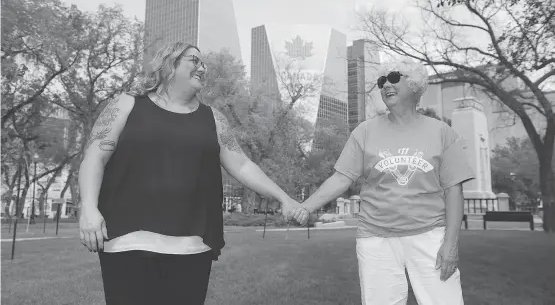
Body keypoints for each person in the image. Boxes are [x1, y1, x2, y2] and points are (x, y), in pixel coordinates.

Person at [78, 42, 302, 305]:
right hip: (128, 241)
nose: (203, 67)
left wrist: (283, 197)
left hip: (191, 246)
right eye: (194, 60)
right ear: (169, 64)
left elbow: (242, 164)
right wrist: (89, 208)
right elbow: (95, 156)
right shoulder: (127, 105)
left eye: (203, 63)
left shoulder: (213, 119)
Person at [292, 59, 474, 305]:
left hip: (430, 236)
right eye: (381, 81)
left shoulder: (442, 133)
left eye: (394, 77)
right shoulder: (365, 132)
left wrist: (451, 244)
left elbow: (454, 191)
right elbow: (341, 177)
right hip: (376, 238)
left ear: (415, 84)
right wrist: (306, 206)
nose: (386, 84)